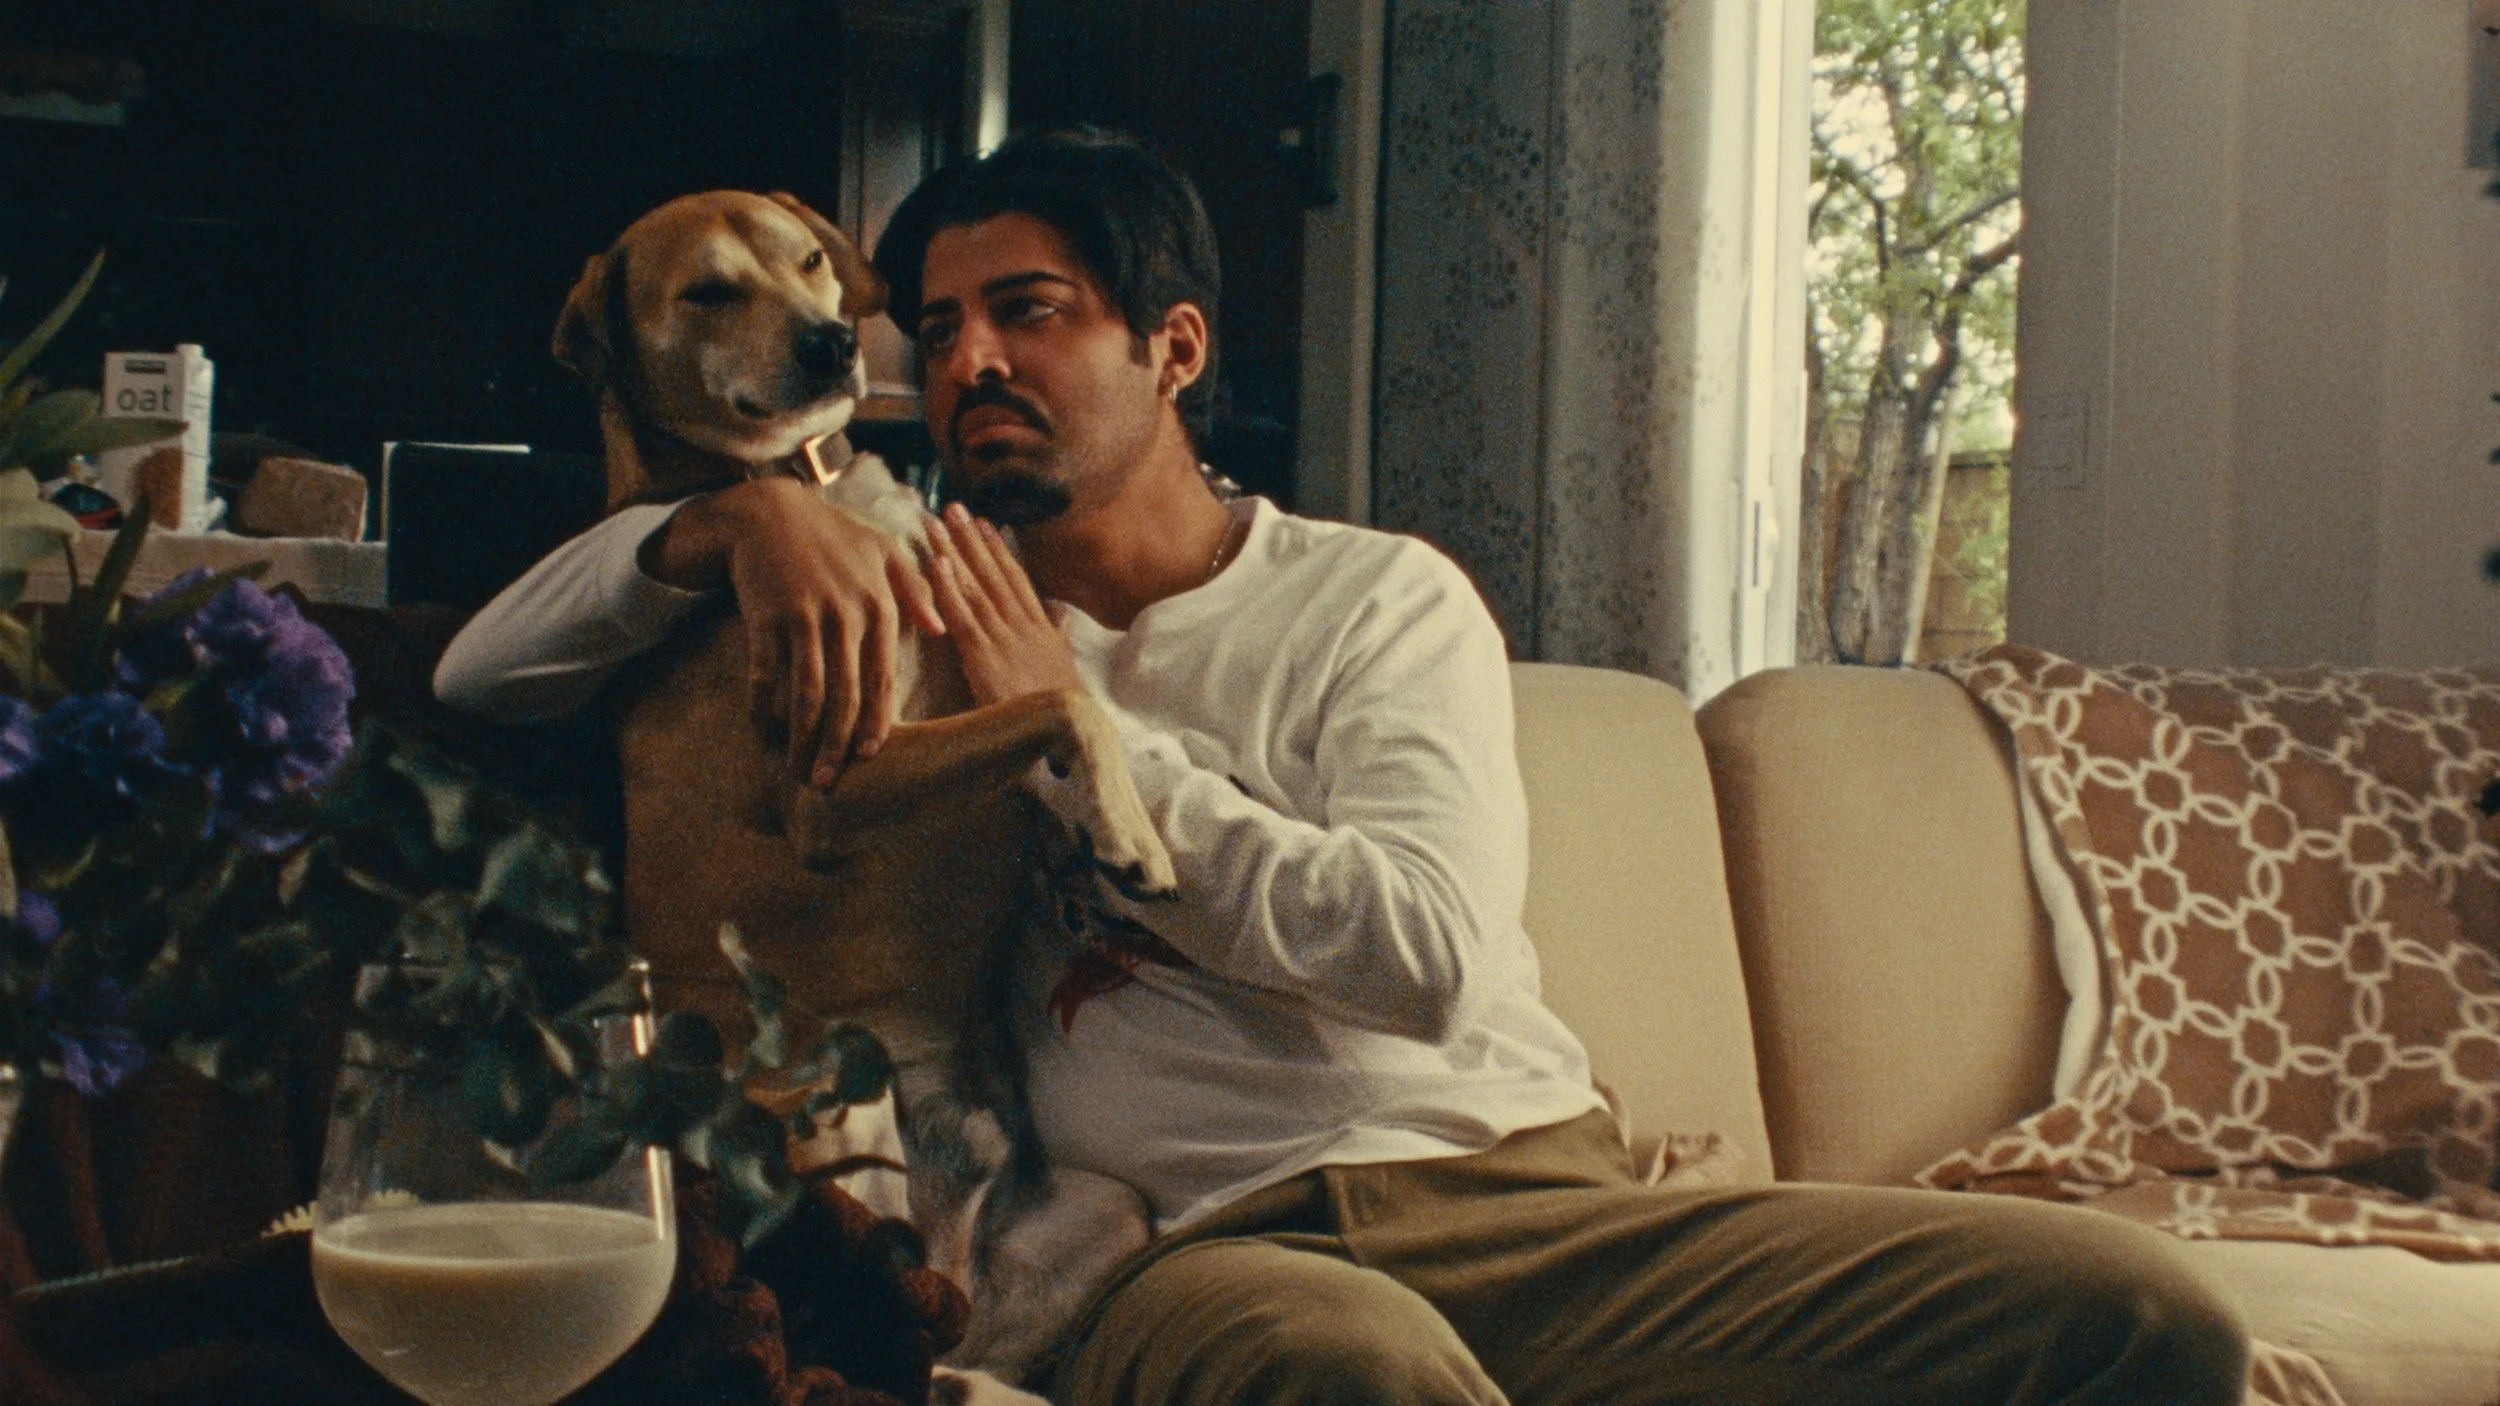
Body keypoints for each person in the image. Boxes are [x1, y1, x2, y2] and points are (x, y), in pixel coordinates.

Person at [437, 130, 2248, 1406]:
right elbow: (487, 668)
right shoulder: (914, 595)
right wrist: (731, 524)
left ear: (1173, 348)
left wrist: (1078, 737)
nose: (967, 357)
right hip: (1208, 1253)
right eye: (942, 321)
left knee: (2134, 1311)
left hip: (1522, 1192)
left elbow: (1426, 951)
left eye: (1032, 309)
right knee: (1349, 1371)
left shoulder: (1375, 597)